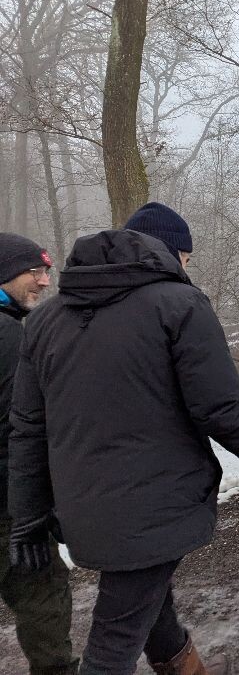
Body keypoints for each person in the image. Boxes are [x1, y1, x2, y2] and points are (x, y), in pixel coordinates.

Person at [7, 202, 239, 675]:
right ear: (168, 253)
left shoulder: (46, 320)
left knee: (149, 600)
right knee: (112, 643)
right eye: (186, 258)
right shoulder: (181, 304)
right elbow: (219, 406)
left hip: (82, 505)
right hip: (157, 500)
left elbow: (29, 428)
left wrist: (28, 515)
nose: (186, 268)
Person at [0, 233, 79, 674]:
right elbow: (26, 432)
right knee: (44, 601)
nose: (45, 281)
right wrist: (37, 511)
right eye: (35, 271)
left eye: (47, 271)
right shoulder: (11, 338)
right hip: (10, 510)